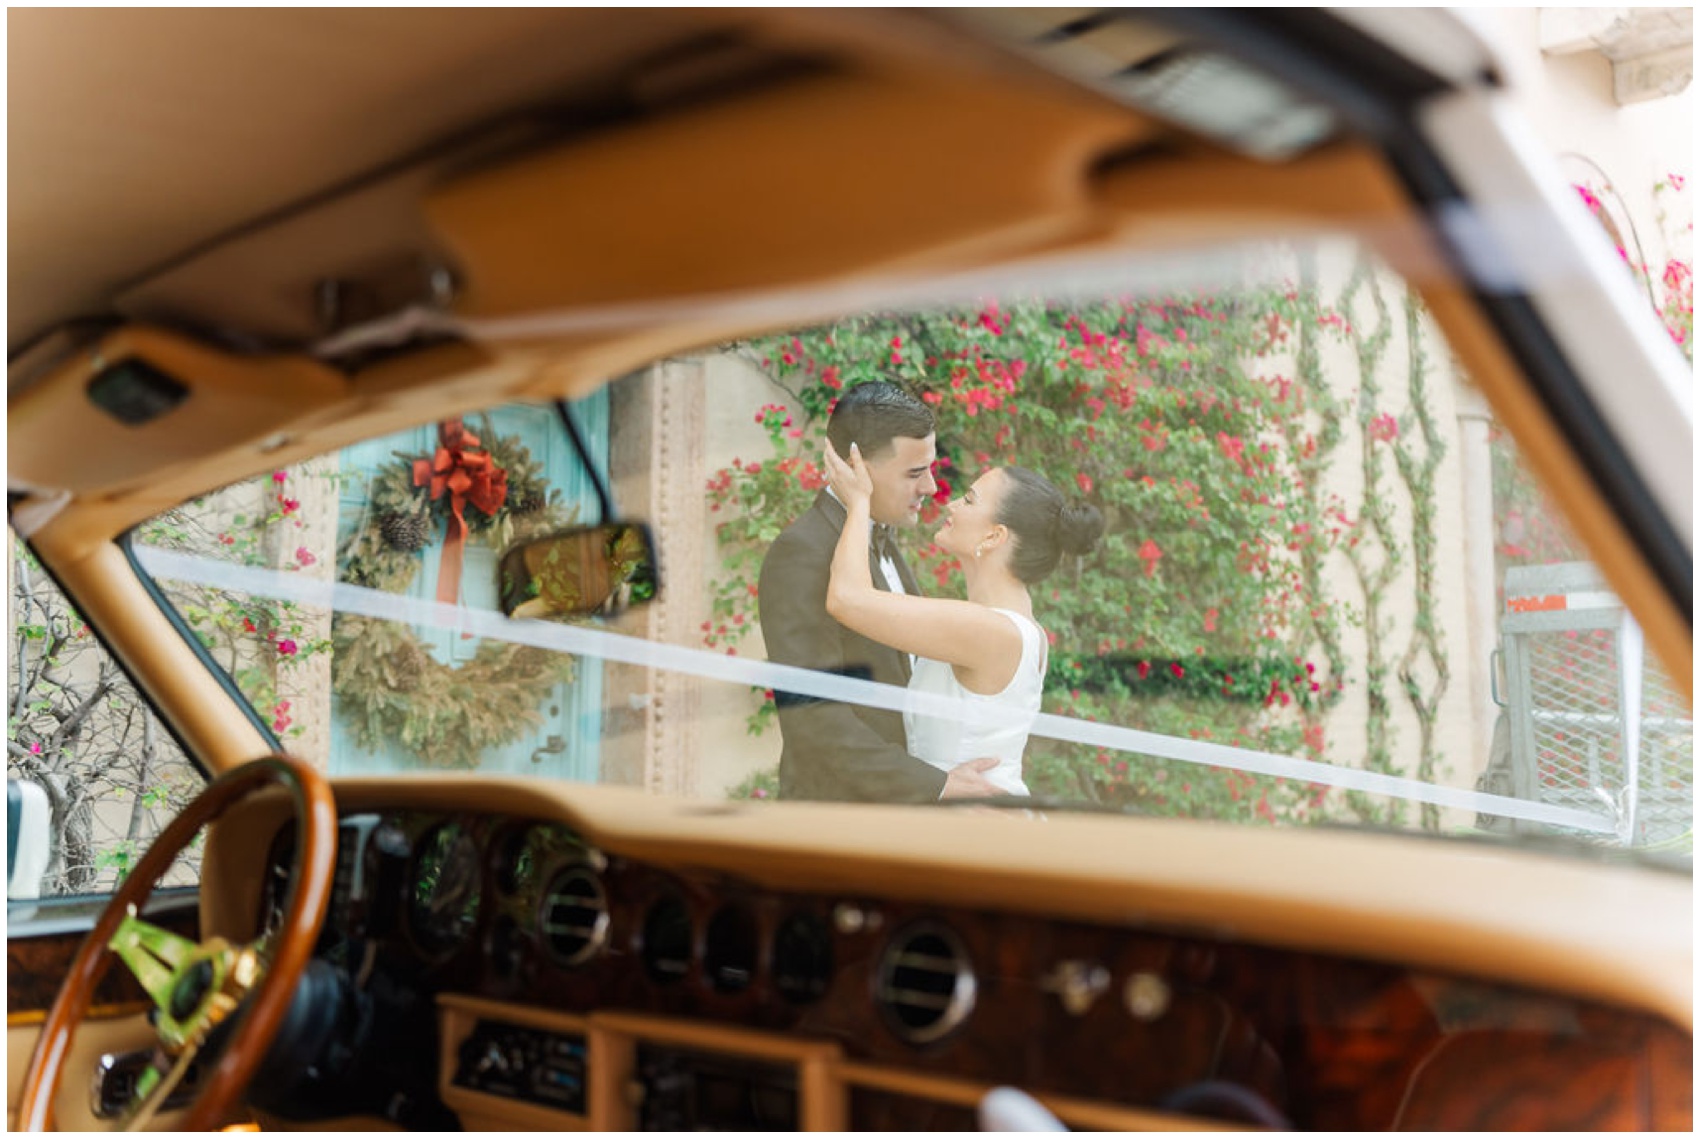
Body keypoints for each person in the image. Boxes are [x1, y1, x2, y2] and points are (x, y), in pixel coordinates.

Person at [758, 382, 1004, 803]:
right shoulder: (801, 553)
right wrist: (936, 786)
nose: (930, 487)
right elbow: (813, 719)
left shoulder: (881, 541)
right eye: (914, 473)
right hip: (836, 828)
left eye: (930, 468)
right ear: (857, 468)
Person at [822, 439, 1104, 797]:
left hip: (976, 824)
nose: (952, 503)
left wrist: (858, 501)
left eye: (969, 500)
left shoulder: (990, 630)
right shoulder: (1008, 625)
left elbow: (847, 599)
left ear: (994, 535)